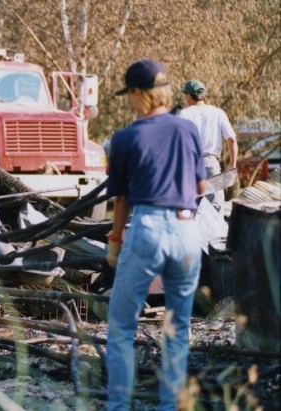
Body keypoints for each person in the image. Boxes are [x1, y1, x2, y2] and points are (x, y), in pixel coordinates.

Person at [105, 59, 206, 410]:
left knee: (120, 328)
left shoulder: (125, 138)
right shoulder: (188, 130)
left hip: (148, 227)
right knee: (178, 328)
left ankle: (118, 406)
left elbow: (121, 201)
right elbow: (201, 185)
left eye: (129, 95)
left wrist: (115, 242)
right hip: (186, 229)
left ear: (136, 93)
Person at [178, 79, 238, 212]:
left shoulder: (184, 114)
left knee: (191, 211)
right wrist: (232, 164)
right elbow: (232, 140)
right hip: (211, 165)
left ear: (189, 95)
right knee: (214, 211)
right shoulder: (218, 113)